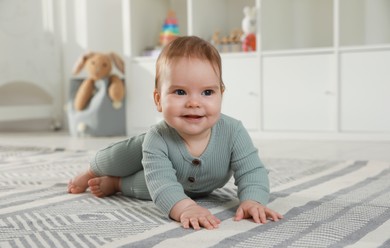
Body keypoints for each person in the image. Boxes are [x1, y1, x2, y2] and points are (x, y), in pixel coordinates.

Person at [68, 36, 283, 230]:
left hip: (183, 182)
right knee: (116, 159)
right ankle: (92, 170)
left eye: (207, 92)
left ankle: (116, 184)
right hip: (147, 153)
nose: (193, 103)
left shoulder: (234, 132)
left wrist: (253, 200)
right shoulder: (156, 138)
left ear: (221, 95)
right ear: (158, 99)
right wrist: (185, 208)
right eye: (180, 92)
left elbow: (252, 171)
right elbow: (162, 186)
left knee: (145, 187)